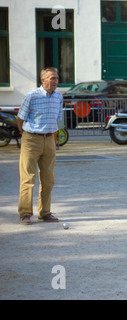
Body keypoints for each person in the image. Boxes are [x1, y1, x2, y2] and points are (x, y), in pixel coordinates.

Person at [17, 67, 63, 225]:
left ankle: (44, 213)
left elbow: (58, 118)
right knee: (28, 178)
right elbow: (20, 118)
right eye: (52, 78)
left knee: (48, 180)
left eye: (57, 78)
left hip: (49, 139)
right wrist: (26, 136)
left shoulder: (59, 96)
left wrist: (54, 140)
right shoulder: (32, 96)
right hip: (31, 139)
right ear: (43, 80)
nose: (55, 81)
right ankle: (25, 213)